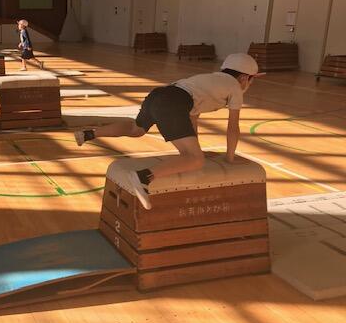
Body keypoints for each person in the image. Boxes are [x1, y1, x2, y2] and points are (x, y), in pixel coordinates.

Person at [74, 53, 263, 210]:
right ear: (244, 78)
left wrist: (193, 149)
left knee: (136, 129)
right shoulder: (234, 87)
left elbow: (192, 118)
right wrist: (229, 158)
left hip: (160, 94)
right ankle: (143, 177)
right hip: (173, 102)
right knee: (196, 160)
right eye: (252, 81)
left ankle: (90, 133)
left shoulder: (209, 81)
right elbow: (233, 127)